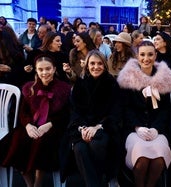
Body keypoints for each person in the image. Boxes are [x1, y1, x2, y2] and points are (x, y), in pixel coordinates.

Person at [2, 54, 71, 187]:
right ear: (36, 70)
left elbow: (66, 114)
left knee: (42, 142)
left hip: (54, 127)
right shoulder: (29, 88)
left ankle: (38, 183)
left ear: (54, 69)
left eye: (48, 69)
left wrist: (50, 125)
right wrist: (28, 125)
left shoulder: (63, 88)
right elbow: (23, 112)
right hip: (31, 125)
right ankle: (30, 183)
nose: (44, 73)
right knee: (17, 142)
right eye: (41, 69)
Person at [117, 41, 171, 187]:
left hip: (158, 130)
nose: (146, 58)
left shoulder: (164, 79)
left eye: (150, 54)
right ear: (137, 56)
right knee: (141, 159)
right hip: (134, 129)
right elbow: (125, 108)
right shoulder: (127, 78)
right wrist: (137, 127)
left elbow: (165, 110)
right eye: (142, 54)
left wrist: (156, 128)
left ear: (155, 55)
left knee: (159, 159)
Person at [67, 50, 121, 187]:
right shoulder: (80, 84)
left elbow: (115, 112)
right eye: (92, 63)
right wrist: (82, 128)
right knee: (80, 148)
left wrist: (98, 126)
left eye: (99, 64)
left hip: (105, 128)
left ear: (104, 65)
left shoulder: (112, 84)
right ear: (87, 65)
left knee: (96, 144)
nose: (95, 67)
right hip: (82, 129)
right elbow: (75, 111)